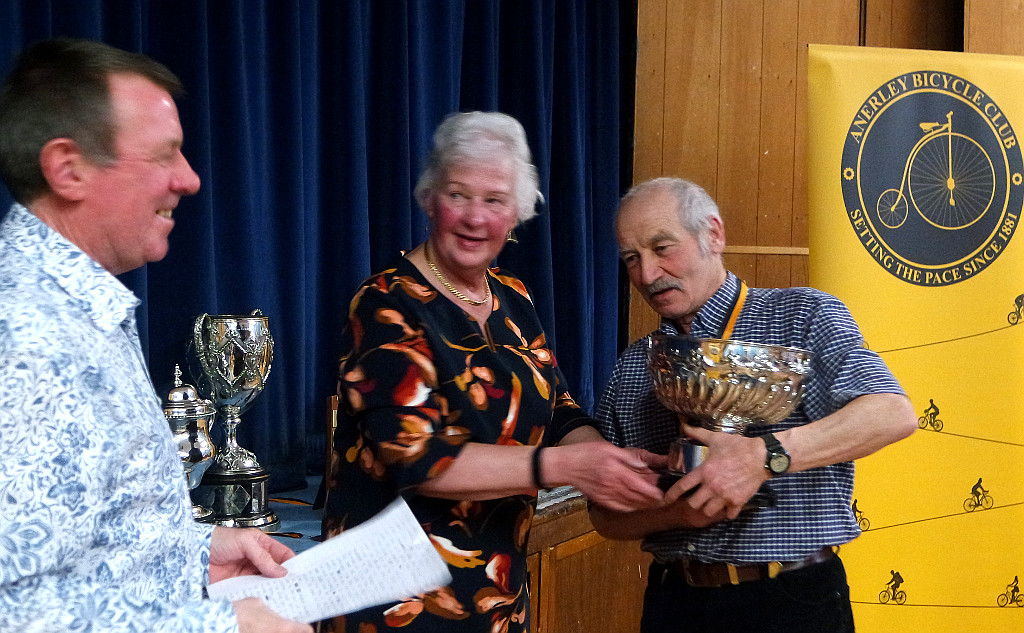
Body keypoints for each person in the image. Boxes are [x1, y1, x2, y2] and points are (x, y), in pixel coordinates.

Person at [0, 38, 310, 633]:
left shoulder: (78, 312)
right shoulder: (26, 342)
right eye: (165, 155)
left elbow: (78, 547)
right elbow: (15, 615)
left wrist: (191, 549)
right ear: (68, 170)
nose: (190, 180)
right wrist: (225, 628)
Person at [320, 111, 666, 632]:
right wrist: (567, 468)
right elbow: (415, 457)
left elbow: (558, 408)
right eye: (457, 194)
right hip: (392, 605)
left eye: (495, 200)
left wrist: (609, 461)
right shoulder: (385, 302)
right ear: (429, 198)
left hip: (495, 599)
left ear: (517, 214)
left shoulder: (513, 296)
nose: (475, 218)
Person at [589, 177, 918, 633]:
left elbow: (892, 413)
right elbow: (605, 517)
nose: (647, 274)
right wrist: (678, 513)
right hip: (675, 601)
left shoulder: (803, 316)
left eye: (662, 248)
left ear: (714, 234)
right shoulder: (634, 366)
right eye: (631, 258)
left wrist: (764, 457)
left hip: (791, 601)